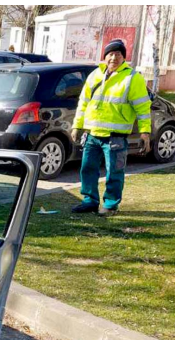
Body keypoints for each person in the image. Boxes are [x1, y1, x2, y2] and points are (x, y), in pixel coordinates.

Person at [71, 39, 152, 217]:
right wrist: (77, 125)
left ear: (124, 57)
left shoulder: (132, 78)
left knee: (114, 172)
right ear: (105, 56)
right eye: (111, 54)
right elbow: (83, 103)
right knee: (87, 169)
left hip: (115, 136)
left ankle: (110, 204)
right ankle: (89, 201)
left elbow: (143, 107)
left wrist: (145, 131)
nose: (114, 57)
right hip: (92, 134)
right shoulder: (95, 75)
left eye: (118, 54)